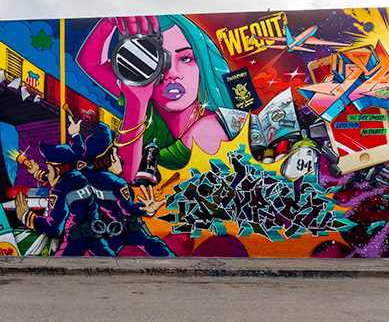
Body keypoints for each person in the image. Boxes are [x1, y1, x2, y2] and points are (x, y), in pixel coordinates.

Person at [77, 14, 232, 181]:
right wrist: (110, 22)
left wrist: (136, 106)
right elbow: (91, 63)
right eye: (159, 60)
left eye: (185, 58)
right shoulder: (149, 98)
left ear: (202, 66)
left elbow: (130, 180)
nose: (173, 73)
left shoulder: (208, 129)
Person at [78, 124, 173, 256]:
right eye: (116, 153)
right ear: (111, 158)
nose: (120, 158)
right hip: (127, 228)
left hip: (109, 229)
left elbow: (79, 153)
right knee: (155, 247)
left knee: (105, 254)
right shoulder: (117, 183)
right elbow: (127, 209)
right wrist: (146, 209)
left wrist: (75, 135)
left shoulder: (88, 173)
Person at [13, 140, 110, 256]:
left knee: (57, 264)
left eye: (49, 170)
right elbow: (58, 179)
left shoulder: (59, 191)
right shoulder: (79, 178)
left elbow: (54, 227)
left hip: (76, 239)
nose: (48, 173)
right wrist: (36, 172)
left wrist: (25, 215)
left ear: (57, 170)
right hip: (94, 234)